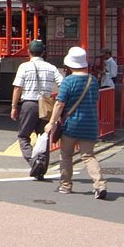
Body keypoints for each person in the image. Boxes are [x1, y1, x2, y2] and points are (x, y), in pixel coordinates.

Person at [45, 46, 107, 199]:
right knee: (88, 156)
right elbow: (95, 100)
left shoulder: (68, 81)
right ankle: (100, 185)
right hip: (90, 124)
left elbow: (60, 104)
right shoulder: (92, 80)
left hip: (71, 125)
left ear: (69, 64)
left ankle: (66, 185)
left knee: (66, 155)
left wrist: (51, 122)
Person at [10, 40, 64, 172]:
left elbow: (17, 88)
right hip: (45, 104)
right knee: (43, 137)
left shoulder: (24, 67)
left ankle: (34, 162)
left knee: (23, 136)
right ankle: (41, 168)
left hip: (29, 103)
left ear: (29, 52)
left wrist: (13, 107)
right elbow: (62, 84)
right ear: (43, 53)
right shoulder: (51, 68)